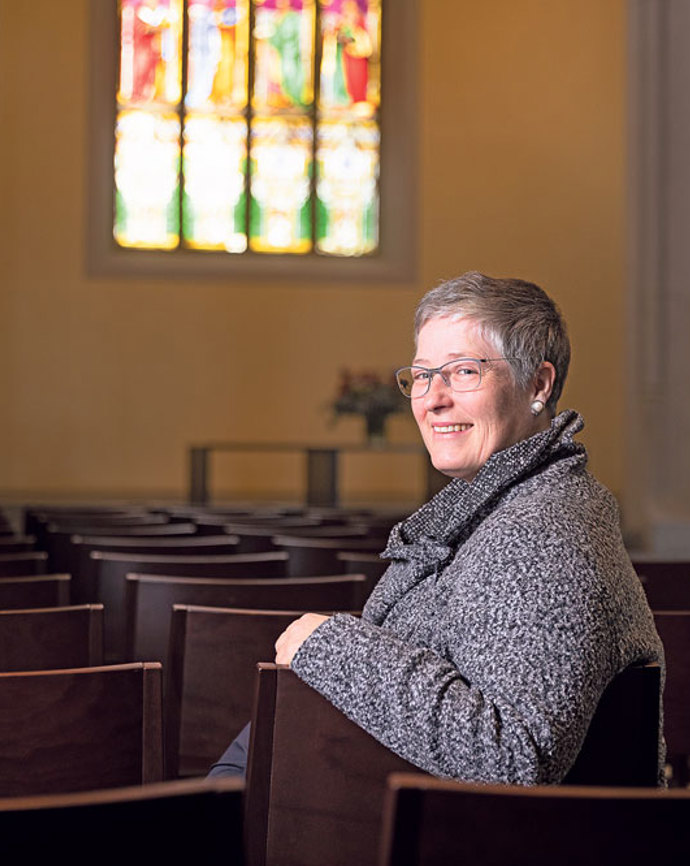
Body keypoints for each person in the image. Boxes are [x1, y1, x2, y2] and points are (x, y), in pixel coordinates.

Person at [211, 272, 663, 785]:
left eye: (464, 371)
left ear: (538, 384)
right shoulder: (503, 505)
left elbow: (512, 755)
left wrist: (331, 643)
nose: (431, 398)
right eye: (422, 375)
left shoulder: (543, 532)